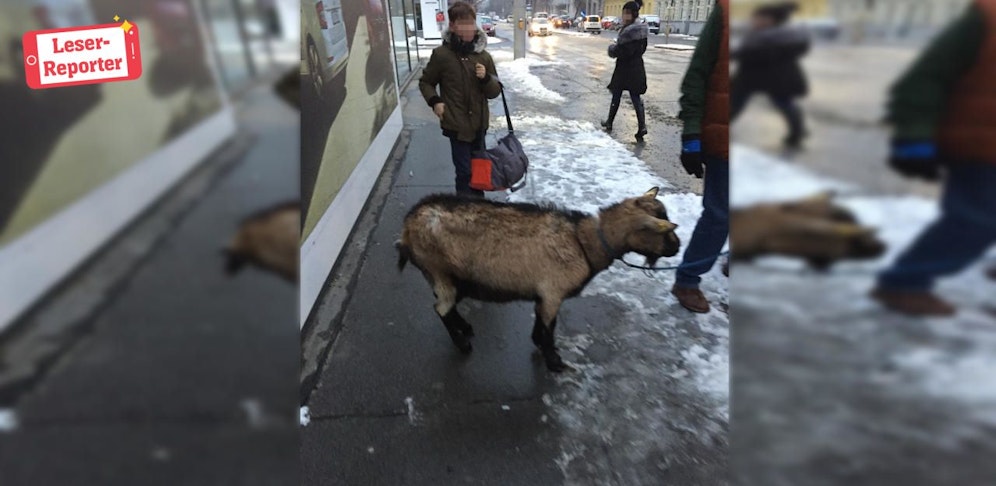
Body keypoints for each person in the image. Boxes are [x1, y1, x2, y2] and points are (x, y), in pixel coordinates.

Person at [870, 0, 996, 316]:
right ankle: (903, 283)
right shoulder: (987, 18)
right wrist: (913, 136)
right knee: (975, 218)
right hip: (980, 144)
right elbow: (927, 77)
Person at [671, 0, 729, 313]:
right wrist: (691, 132)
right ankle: (688, 279)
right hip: (728, 136)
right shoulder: (728, 11)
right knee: (720, 214)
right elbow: (697, 75)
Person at [419, 1, 502, 197]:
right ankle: (464, 215)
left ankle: (478, 211)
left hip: (479, 126)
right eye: (463, 24)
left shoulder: (484, 57)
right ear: (454, 26)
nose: (469, 28)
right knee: (464, 173)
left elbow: (495, 91)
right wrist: (435, 102)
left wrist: (486, 79)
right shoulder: (442, 55)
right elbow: (426, 82)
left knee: (480, 173)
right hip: (456, 125)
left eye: (471, 23)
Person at [730, 1, 810, 149]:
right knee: (736, 101)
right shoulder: (760, 35)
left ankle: (797, 131)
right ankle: (797, 131)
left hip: (774, 79)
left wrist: (739, 54)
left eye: (760, 18)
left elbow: (756, 55)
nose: (755, 21)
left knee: (783, 103)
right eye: (755, 18)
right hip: (753, 77)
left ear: (771, 20)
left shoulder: (777, 37)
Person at [601, 0, 649, 141]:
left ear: (633, 14)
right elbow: (641, 49)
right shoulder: (639, 30)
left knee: (621, 95)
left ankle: (614, 122)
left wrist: (613, 49)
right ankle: (641, 126)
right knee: (633, 97)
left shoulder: (631, 31)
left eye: (626, 13)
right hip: (636, 67)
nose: (624, 16)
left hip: (625, 69)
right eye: (623, 13)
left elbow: (623, 51)